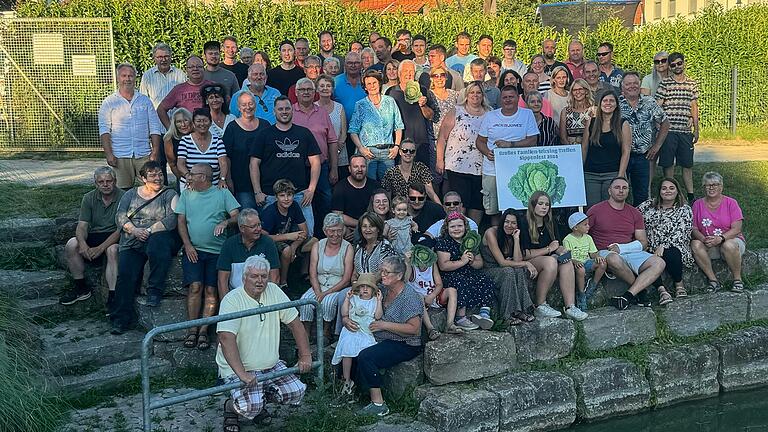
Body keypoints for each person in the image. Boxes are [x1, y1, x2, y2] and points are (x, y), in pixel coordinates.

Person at [217, 255, 312, 431]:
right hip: (241, 367)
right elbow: (225, 338)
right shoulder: (232, 300)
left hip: (270, 364)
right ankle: (231, 407)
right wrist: (242, 374)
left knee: (296, 391)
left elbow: (295, 323)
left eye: (263, 276)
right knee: (248, 408)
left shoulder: (274, 291)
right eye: (254, 276)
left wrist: (305, 355)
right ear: (244, 277)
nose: (259, 281)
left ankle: (258, 400)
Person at [111, 161, 180, 334]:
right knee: (125, 275)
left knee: (159, 245)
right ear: (143, 178)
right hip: (132, 240)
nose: (158, 178)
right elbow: (119, 217)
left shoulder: (170, 194)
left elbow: (172, 220)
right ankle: (120, 319)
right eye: (153, 175)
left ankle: (154, 290)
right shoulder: (130, 195)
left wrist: (148, 231)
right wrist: (134, 230)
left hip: (157, 236)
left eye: (160, 174)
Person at [176, 163, 240, 350]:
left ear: (203, 177)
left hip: (217, 252)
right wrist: (187, 245)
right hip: (193, 250)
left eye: (192, 174)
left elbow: (237, 215)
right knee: (195, 287)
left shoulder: (222, 193)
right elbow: (181, 220)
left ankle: (204, 331)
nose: (189, 177)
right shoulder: (187, 194)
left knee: (212, 291)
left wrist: (226, 221)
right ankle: (191, 329)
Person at [350, 255, 422, 417]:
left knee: (367, 356)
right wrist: (347, 319)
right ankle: (352, 394)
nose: (382, 275)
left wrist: (384, 325)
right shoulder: (382, 289)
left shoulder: (409, 296)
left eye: (386, 272)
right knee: (349, 350)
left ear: (399, 276)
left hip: (405, 343)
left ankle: (379, 404)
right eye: (381, 271)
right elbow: (360, 291)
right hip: (382, 337)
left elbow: (414, 329)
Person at [587, 177, 667, 310]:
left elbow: (643, 242)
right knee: (613, 258)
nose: (621, 191)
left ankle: (629, 295)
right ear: (609, 191)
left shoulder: (634, 212)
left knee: (659, 262)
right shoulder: (595, 210)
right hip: (605, 252)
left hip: (629, 251)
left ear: (628, 191)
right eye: (617, 187)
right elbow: (583, 234)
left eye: (624, 188)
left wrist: (621, 248)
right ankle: (641, 292)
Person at [250, 96, 321, 235]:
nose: (284, 111)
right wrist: (257, 192)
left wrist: (311, 189)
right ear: (274, 112)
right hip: (270, 195)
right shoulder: (264, 135)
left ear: (292, 110)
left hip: (300, 194)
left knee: (308, 236)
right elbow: (254, 163)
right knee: (268, 238)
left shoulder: (304, 133)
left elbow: (315, 161)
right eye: (280, 109)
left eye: (287, 108)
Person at [59, 167, 124, 307]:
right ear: (96, 183)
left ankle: (113, 296)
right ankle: (80, 287)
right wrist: (83, 244)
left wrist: (100, 248)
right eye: (101, 182)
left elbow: (121, 229)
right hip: (95, 234)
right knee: (72, 244)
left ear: (115, 181)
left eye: (109, 181)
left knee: (112, 250)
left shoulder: (124, 197)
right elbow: (82, 226)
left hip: (115, 235)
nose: (105, 184)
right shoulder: (88, 198)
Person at [476, 85, 538, 225]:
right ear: (500, 99)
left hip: (519, 170)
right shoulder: (490, 116)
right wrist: (487, 152)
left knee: (520, 206)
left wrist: (510, 145)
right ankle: (498, 239)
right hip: (493, 170)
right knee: (494, 210)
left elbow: (533, 140)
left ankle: (519, 239)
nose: (508, 100)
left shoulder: (527, 114)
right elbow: (480, 141)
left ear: (517, 98)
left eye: (511, 97)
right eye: (505, 97)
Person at [519, 191, 586, 320]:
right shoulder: (523, 222)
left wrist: (561, 250)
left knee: (566, 260)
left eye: (547, 204)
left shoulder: (551, 222)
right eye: (540, 204)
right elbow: (523, 254)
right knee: (551, 262)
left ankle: (570, 307)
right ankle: (540, 305)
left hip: (549, 258)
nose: (544, 207)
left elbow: (557, 245)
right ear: (533, 205)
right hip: (529, 262)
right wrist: (549, 249)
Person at [99, 63, 162, 189]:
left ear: (135, 78)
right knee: (122, 191)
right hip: (120, 154)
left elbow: (155, 127)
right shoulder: (109, 102)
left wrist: (155, 151)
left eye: (130, 76)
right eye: (124, 76)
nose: (127, 79)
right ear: (118, 78)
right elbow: (104, 130)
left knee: (149, 188)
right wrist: (109, 154)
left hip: (143, 153)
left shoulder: (145, 101)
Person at [436, 81, 491, 225]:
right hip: (457, 166)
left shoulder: (490, 113)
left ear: (483, 95)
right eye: (472, 92)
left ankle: (473, 234)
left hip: (481, 167)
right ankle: (457, 231)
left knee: (477, 204)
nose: (475, 95)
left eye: (478, 92)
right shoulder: (456, 111)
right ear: (466, 95)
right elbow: (442, 137)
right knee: (460, 203)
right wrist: (439, 160)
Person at [292, 77, 338, 236]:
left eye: (309, 90)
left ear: (315, 93)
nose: (306, 93)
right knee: (299, 205)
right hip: (297, 168)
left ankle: (324, 237)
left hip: (322, 167)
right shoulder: (290, 112)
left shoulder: (322, 113)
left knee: (325, 202)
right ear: (296, 92)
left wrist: (334, 169)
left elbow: (332, 141)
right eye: (302, 90)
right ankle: (303, 239)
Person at [436, 212, 496, 330]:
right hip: (450, 275)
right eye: (453, 226)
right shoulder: (443, 242)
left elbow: (480, 263)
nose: (456, 229)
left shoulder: (470, 241)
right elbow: (443, 266)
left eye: (460, 226)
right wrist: (462, 262)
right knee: (460, 282)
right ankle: (460, 317)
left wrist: (473, 261)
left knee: (485, 279)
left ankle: (484, 312)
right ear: (447, 228)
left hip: (469, 272)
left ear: (465, 227)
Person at [637, 178, 693, 304]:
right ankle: (662, 291)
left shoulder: (684, 209)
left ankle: (679, 284)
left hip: (676, 246)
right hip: (650, 246)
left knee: (671, 253)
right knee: (646, 257)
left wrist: (663, 246)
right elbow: (633, 216)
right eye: (664, 188)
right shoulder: (648, 205)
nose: (667, 191)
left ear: (677, 191)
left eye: (671, 188)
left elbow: (682, 232)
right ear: (659, 191)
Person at [690, 172, 746, 293]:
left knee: (728, 245)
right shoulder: (697, 204)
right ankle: (713, 281)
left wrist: (720, 238)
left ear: (721, 187)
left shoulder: (731, 203)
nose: (711, 187)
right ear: (703, 187)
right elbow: (693, 228)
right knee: (695, 244)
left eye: (715, 184)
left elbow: (737, 229)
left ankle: (737, 280)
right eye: (707, 185)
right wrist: (703, 239)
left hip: (731, 241)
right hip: (709, 243)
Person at [619, 71, 670, 205]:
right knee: (619, 193)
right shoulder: (616, 105)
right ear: (622, 87)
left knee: (642, 195)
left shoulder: (649, 102)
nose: (632, 86)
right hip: (622, 156)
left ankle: (640, 223)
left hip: (643, 156)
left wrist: (657, 145)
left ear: (640, 84)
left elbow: (665, 122)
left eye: (635, 83)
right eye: (628, 84)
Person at [299, 213, 354, 337]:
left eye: (339, 230)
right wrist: (318, 291)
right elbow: (312, 273)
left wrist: (325, 294)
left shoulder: (348, 248)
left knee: (327, 303)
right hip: (318, 284)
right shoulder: (318, 245)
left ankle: (325, 332)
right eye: (332, 231)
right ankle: (306, 334)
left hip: (337, 285)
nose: (336, 234)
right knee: (305, 301)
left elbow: (346, 279)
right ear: (325, 231)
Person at [656, 52, 700, 203]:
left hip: (685, 132)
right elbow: (658, 106)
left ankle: (691, 195)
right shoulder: (665, 83)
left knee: (687, 165)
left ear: (684, 63)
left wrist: (696, 127)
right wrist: (659, 125)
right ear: (670, 66)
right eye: (673, 65)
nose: (677, 67)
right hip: (668, 131)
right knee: (668, 164)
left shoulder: (692, 83)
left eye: (679, 63)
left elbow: (694, 106)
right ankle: (670, 193)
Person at [332, 273, 383, 401]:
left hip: (366, 331)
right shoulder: (354, 298)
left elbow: (378, 316)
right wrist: (347, 299)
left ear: (373, 290)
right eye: (362, 286)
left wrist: (379, 301)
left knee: (366, 350)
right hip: (352, 330)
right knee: (347, 347)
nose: (365, 289)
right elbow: (344, 313)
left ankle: (361, 385)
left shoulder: (373, 301)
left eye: (368, 287)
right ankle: (346, 379)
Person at [481, 209, 536, 324]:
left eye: (513, 223)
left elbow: (517, 260)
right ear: (502, 222)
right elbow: (502, 262)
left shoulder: (512, 235)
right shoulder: (491, 233)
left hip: (503, 269)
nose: (509, 225)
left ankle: (521, 310)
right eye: (507, 222)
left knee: (519, 271)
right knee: (509, 271)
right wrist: (526, 263)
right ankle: (507, 315)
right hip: (488, 269)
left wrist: (516, 239)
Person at [261, 179, 319, 289]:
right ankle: (283, 283)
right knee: (286, 250)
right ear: (276, 197)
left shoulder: (295, 206)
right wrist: (288, 237)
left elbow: (304, 231)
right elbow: (262, 237)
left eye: (290, 195)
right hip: (273, 241)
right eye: (282, 195)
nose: (286, 199)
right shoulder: (270, 212)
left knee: (314, 242)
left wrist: (294, 246)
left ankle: (305, 275)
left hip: (291, 240)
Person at [349, 70, 403, 181]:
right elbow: (353, 130)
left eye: (374, 82)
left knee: (388, 186)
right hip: (368, 152)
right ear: (365, 87)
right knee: (369, 185)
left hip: (388, 152)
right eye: (369, 84)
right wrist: (361, 148)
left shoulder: (390, 101)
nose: (372, 86)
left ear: (379, 83)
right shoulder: (360, 105)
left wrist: (396, 146)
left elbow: (398, 126)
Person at [581, 91, 631, 207]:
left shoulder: (623, 124)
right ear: (600, 104)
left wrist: (620, 176)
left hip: (612, 174)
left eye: (612, 100)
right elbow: (584, 147)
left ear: (616, 105)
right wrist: (580, 170)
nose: (608, 103)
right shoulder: (591, 122)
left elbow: (626, 152)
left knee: (610, 209)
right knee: (592, 210)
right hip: (591, 174)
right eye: (605, 100)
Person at [216, 208, 280, 297]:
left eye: (259, 225)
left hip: (263, 296)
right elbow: (222, 280)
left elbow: (275, 278)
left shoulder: (268, 243)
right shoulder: (229, 244)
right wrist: (226, 304)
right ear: (242, 228)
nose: (258, 229)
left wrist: (271, 301)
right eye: (253, 226)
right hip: (236, 297)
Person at [385, 60, 438, 167]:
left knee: (421, 179)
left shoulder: (423, 90)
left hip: (420, 143)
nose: (408, 74)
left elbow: (431, 116)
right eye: (405, 71)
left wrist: (423, 106)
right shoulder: (391, 92)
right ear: (399, 74)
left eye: (411, 71)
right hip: (399, 144)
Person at [222, 92, 270, 209]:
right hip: (242, 185)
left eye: (250, 103)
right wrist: (228, 180)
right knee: (248, 221)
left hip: (266, 184)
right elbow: (226, 157)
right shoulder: (232, 128)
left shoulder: (265, 125)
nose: (248, 107)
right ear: (238, 107)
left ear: (255, 104)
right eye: (244, 105)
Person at [406, 236, 462, 336]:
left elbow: (439, 284)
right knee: (418, 298)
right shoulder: (411, 265)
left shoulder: (432, 264)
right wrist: (407, 262)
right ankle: (430, 329)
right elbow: (405, 280)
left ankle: (450, 324)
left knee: (452, 290)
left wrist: (432, 295)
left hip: (433, 295)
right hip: (418, 299)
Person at [563, 211, 607, 311]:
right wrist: (576, 262)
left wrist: (597, 257)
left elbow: (592, 253)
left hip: (587, 262)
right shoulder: (568, 240)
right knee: (581, 269)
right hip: (575, 265)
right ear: (575, 228)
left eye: (588, 224)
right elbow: (567, 257)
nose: (588, 226)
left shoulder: (588, 238)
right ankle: (581, 294)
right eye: (585, 224)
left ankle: (593, 285)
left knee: (602, 263)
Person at [176, 108, 228, 190]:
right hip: (190, 185)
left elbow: (223, 163)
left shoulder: (218, 141)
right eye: (198, 121)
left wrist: (222, 179)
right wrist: (187, 175)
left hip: (213, 185)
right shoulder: (185, 141)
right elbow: (180, 164)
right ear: (193, 123)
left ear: (210, 123)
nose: (202, 124)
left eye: (205, 120)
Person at [157, 55, 215, 129]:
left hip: (210, 131)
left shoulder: (213, 87)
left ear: (204, 68)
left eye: (199, 66)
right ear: (186, 70)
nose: (195, 69)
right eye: (191, 67)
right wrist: (171, 129)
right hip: (186, 133)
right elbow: (161, 109)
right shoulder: (178, 89)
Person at [332, 155, 379, 241]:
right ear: (349, 169)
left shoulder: (375, 185)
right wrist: (361, 225)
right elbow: (337, 215)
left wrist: (363, 228)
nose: (360, 170)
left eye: (363, 166)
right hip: (349, 229)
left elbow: (382, 211)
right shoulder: (340, 187)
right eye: (356, 167)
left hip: (371, 227)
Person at [381, 138, 440, 204]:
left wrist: (441, 208)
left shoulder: (421, 168)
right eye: (405, 150)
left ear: (415, 153)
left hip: (418, 206)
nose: (408, 153)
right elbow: (387, 196)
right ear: (400, 152)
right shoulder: (391, 172)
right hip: (399, 210)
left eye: (411, 151)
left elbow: (430, 191)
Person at [317, 74, 349, 180]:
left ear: (332, 88)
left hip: (339, 155)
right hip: (320, 155)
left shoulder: (339, 107)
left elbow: (343, 132)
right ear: (317, 89)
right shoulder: (313, 108)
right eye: (322, 86)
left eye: (328, 85)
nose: (325, 88)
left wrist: (336, 150)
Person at [139, 42, 187, 109]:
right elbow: (143, 102)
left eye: (166, 56)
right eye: (160, 57)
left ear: (171, 57)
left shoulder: (180, 75)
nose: (163, 60)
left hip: (175, 117)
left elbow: (185, 99)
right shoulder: (147, 76)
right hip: (156, 118)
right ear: (154, 58)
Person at [163, 108, 193, 187]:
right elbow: (172, 164)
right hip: (183, 178)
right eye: (179, 122)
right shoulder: (169, 139)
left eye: (186, 120)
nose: (183, 125)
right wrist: (182, 179)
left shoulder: (198, 135)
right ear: (174, 124)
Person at [559, 79, 594, 145]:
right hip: (571, 150)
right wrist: (573, 152)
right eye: (575, 90)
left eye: (580, 89)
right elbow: (563, 137)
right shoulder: (565, 112)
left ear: (586, 91)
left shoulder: (593, 110)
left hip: (591, 149)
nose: (578, 92)